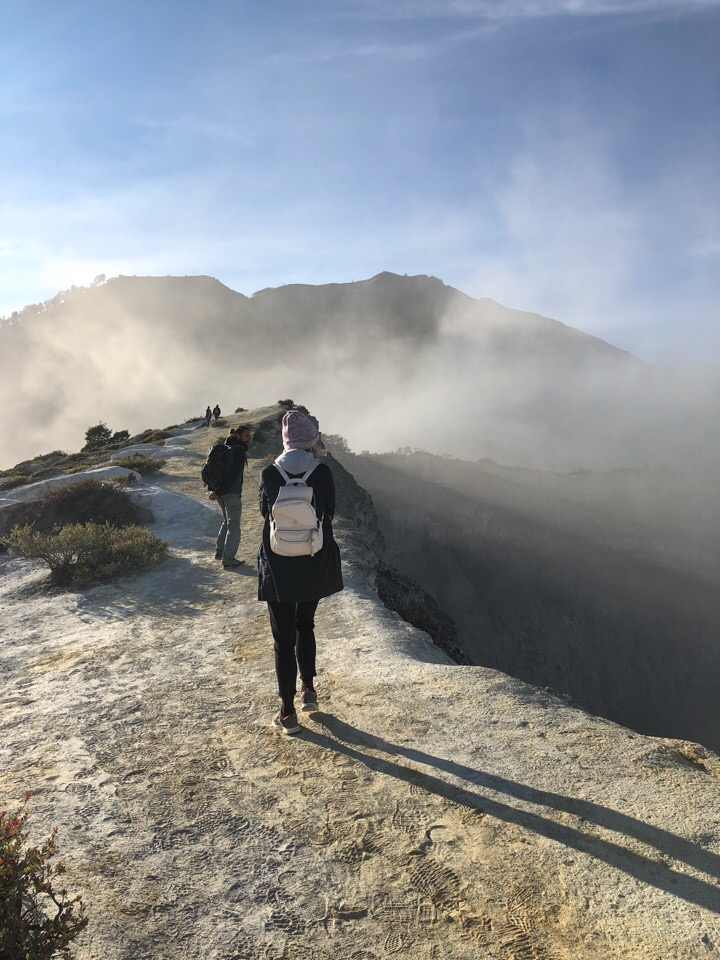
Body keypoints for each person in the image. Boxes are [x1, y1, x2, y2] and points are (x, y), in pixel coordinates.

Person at [258, 410, 343, 734]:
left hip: (278, 564)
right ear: (311, 441)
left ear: (285, 441)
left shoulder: (269, 473)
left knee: (283, 638)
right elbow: (330, 512)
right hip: (312, 559)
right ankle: (308, 691)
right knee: (305, 624)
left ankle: (287, 713)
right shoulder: (322, 473)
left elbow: (265, 513)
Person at [208, 425, 251, 569]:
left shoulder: (223, 449)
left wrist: (216, 491)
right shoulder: (238, 451)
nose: (248, 439)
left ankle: (219, 552)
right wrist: (220, 491)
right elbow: (233, 475)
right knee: (234, 527)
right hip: (231, 493)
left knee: (226, 521)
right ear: (238, 435)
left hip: (220, 492)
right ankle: (228, 560)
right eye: (246, 436)